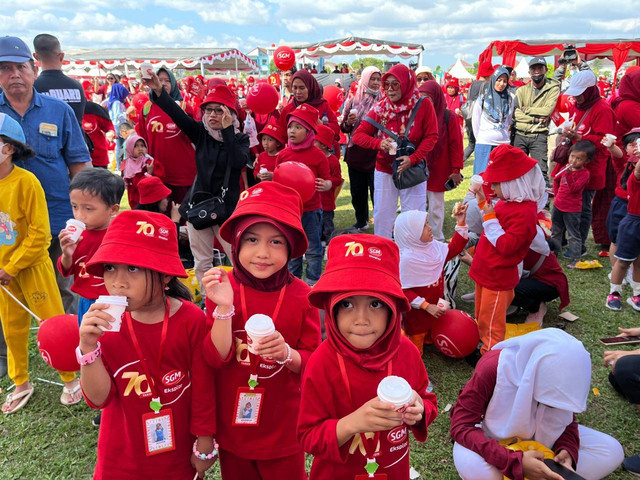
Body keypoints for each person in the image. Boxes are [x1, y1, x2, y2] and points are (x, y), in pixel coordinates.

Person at [79, 210, 217, 479]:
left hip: (176, 456)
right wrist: (87, 349)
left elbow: (203, 387)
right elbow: (98, 399)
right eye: (110, 267)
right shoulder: (104, 324)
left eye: (132, 268)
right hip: (120, 458)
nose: (118, 282)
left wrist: (204, 443)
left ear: (165, 276)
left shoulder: (190, 319)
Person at [200, 182, 321, 480]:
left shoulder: (303, 296)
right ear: (237, 242)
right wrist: (224, 309)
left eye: (276, 242)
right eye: (252, 239)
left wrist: (287, 354)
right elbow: (214, 358)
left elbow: (314, 364)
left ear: (291, 246)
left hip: (282, 430)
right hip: (233, 427)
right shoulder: (222, 288)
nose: (262, 253)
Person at [298, 234, 439, 479]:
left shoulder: (406, 352)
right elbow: (308, 436)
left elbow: (427, 400)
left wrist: (420, 411)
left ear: (393, 308)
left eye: (375, 304)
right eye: (347, 304)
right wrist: (352, 423)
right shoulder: (321, 362)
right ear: (331, 307)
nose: (361, 319)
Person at [451, 328, 624, 480]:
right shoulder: (495, 367)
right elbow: (461, 425)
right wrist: (513, 462)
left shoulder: (568, 376)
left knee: (612, 451)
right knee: (481, 473)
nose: (555, 408)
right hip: (490, 438)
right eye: (550, 402)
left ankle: (543, 474)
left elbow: (567, 421)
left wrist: (567, 451)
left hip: (542, 442)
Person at [0, 36, 91, 316]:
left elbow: (79, 164)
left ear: (34, 70)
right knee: (4, 296)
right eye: (5, 68)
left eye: (22, 67)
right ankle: (5, 357)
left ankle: (69, 350)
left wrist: (85, 213)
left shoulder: (59, 111)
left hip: (55, 219)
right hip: (6, 225)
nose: (15, 74)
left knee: (64, 288)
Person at [0, 113, 81, 413]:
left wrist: (13, 266)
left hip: (31, 268)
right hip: (3, 275)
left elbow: (40, 235)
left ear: (9, 149)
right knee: (11, 328)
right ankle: (21, 381)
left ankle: (70, 378)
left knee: (52, 322)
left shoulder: (27, 182)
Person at [142, 70, 250, 287]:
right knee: (202, 262)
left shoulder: (239, 138)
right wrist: (158, 90)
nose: (212, 115)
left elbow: (238, 161)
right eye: (208, 110)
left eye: (218, 111)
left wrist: (228, 131)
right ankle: (209, 302)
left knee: (240, 260)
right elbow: (176, 114)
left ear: (230, 114)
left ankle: (241, 297)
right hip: (197, 206)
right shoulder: (201, 132)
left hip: (227, 211)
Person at [469, 145, 543, 356]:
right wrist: (482, 201)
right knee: (482, 313)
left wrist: (490, 217)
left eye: (498, 183)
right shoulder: (507, 203)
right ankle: (479, 341)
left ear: (515, 184)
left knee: (492, 321)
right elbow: (491, 218)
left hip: (498, 275)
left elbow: (506, 245)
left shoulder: (525, 213)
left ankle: (490, 354)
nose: (494, 187)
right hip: (487, 270)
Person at [353, 64, 439, 239]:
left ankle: (412, 254)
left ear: (406, 84)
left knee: (414, 217)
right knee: (382, 216)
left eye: (395, 84)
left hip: (412, 169)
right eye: (387, 85)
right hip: (385, 168)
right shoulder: (381, 107)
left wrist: (413, 159)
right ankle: (383, 253)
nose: (390, 90)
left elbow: (431, 136)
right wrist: (379, 143)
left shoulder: (423, 104)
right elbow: (358, 135)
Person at [394, 209, 469, 354]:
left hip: (436, 306)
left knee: (435, 330)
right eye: (424, 226)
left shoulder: (432, 248)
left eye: (427, 223)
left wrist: (461, 222)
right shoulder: (407, 260)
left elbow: (452, 249)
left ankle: (430, 338)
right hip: (418, 315)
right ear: (411, 234)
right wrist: (426, 306)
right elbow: (404, 291)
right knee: (416, 348)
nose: (430, 228)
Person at [58, 168, 124, 324]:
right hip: (86, 300)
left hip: (113, 301)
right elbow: (67, 271)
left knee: (112, 341)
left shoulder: (118, 235)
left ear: (113, 209)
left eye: (88, 208)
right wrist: (67, 254)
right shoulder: (77, 237)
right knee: (88, 339)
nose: (80, 214)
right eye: (75, 206)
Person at [276, 104, 331, 286]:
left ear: (309, 132)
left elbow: (328, 180)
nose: (292, 131)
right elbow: (278, 180)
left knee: (314, 247)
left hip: (311, 209)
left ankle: (312, 281)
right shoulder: (283, 155)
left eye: (298, 127)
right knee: (292, 247)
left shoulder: (318, 156)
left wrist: (325, 184)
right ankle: (293, 281)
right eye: (290, 126)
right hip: (289, 211)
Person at [562, 69, 614, 257]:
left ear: (590, 90)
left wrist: (581, 136)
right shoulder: (576, 105)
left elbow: (605, 140)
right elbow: (574, 124)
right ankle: (565, 239)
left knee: (583, 207)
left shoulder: (603, 109)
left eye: (580, 93)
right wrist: (568, 133)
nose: (576, 98)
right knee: (567, 203)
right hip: (574, 164)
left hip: (591, 168)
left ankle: (579, 246)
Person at [136, 67, 196, 205]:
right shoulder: (147, 108)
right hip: (159, 174)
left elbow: (194, 137)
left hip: (184, 174)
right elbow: (143, 140)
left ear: (174, 84)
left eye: (167, 80)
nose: (163, 84)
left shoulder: (185, 107)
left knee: (184, 217)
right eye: (160, 80)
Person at [419, 80, 464, 240]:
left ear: (436, 98)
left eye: (427, 97)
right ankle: (420, 235)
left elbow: (456, 145)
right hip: (419, 167)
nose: (423, 101)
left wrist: (456, 170)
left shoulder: (448, 116)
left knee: (435, 206)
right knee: (418, 204)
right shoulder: (417, 114)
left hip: (439, 168)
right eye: (420, 97)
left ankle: (436, 237)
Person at [340, 66, 382, 231]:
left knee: (377, 191)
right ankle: (361, 219)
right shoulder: (353, 100)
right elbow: (343, 127)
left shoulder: (384, 101)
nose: (376, 82)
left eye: (378, 79)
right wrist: (349, 122)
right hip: (357, 151)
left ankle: (380, 219)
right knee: (358, 191)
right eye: (373, 78)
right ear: (365, 79)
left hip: (376, 151)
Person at [512, 57, 561, 186]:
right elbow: (516, 113)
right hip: (520, 134)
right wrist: (535, 118)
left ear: (546, 70)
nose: (537, 71)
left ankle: (543, 204)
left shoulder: (553, 88)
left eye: (540, 68)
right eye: (534, 68)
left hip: (539, 135)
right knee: (516, 171)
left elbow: (547, 110)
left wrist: (527, 110)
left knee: (540, 171)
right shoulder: (521, 90)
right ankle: (516, 202)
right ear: (529, 72)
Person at [606, 131, 640, 311]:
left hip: (635, 212)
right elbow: (617, 154)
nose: (636, 147)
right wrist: (612, 146)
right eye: (632, 144)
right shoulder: (627, 166)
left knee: (638, 257)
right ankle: (617, 277)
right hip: (625, 208)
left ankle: (635, 290)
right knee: (617, 243)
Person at [511, 227, 570, 325]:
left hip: (550, 283)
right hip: (533, 278)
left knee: (508, 289)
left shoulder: (519, 238)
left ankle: (536, 307)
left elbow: (513, 275)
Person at [550, 140, 593, 268]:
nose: (574, 160)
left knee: (573, 234)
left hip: (572, 209)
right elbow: (556, 180)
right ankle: (555, 251)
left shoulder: (584, 174)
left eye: (579, 158)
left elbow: (575, 188)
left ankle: (576, 258)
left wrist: (569, 175)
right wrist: (556, 195)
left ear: (586, 161)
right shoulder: (565, 167)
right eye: (572, 156)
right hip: (558, 205)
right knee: (556, 230)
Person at [33, 34, 86, 126]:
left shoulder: (33, 87)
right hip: (75, 138)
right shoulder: (77, 86)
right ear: (61, 56)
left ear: (36, 56)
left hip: (46, 139)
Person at [472, 66, 514, 175]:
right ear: (494, 79)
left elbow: (508, 120)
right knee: (480, 177)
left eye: (505, 81)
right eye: (499, 80)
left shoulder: (509, 99)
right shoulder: (483, 97)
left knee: (501, 178)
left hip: (503, 144)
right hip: (484, 143)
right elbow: (475, 120)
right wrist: (481, 137)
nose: (501, 84)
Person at [279, 70, 340, 142]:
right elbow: (281, 137)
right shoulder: (288, 110)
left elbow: (336, 131)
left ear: (310, 87)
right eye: (295, 88)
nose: (298, 92)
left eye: (302, 88)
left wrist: (321, 125)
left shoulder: (322, 106)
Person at [314, 124, 343, 243]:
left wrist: (328, 183)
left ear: (323, 145)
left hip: (326, 201)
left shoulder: (333, 161)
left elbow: (338, 179)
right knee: (314, 225)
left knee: (327, 226)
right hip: (313, 201)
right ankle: (317, 243)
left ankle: (330, 245)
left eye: (314, 141)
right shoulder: (312, 158)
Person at [464, 62, 495, 161]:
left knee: (471, 145)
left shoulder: (472, 84)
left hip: (469, 118)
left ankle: (456, 166)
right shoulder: (486, 85)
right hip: (479, 120)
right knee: (482, 146)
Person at [81, 81, 114, 169]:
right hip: (79, 159)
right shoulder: (68, 110)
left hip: (98, 158)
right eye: (88, 89)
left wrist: (111, 132)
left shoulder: (94, 110)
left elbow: (109, 126)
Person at [123, 135, 154, 209]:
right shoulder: (128, 162)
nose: (140, 149)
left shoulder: (148, 161)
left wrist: (149, 173)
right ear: (130, 148)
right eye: (136, 146)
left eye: (142, 146)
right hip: (134, 195)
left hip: (146, 195)